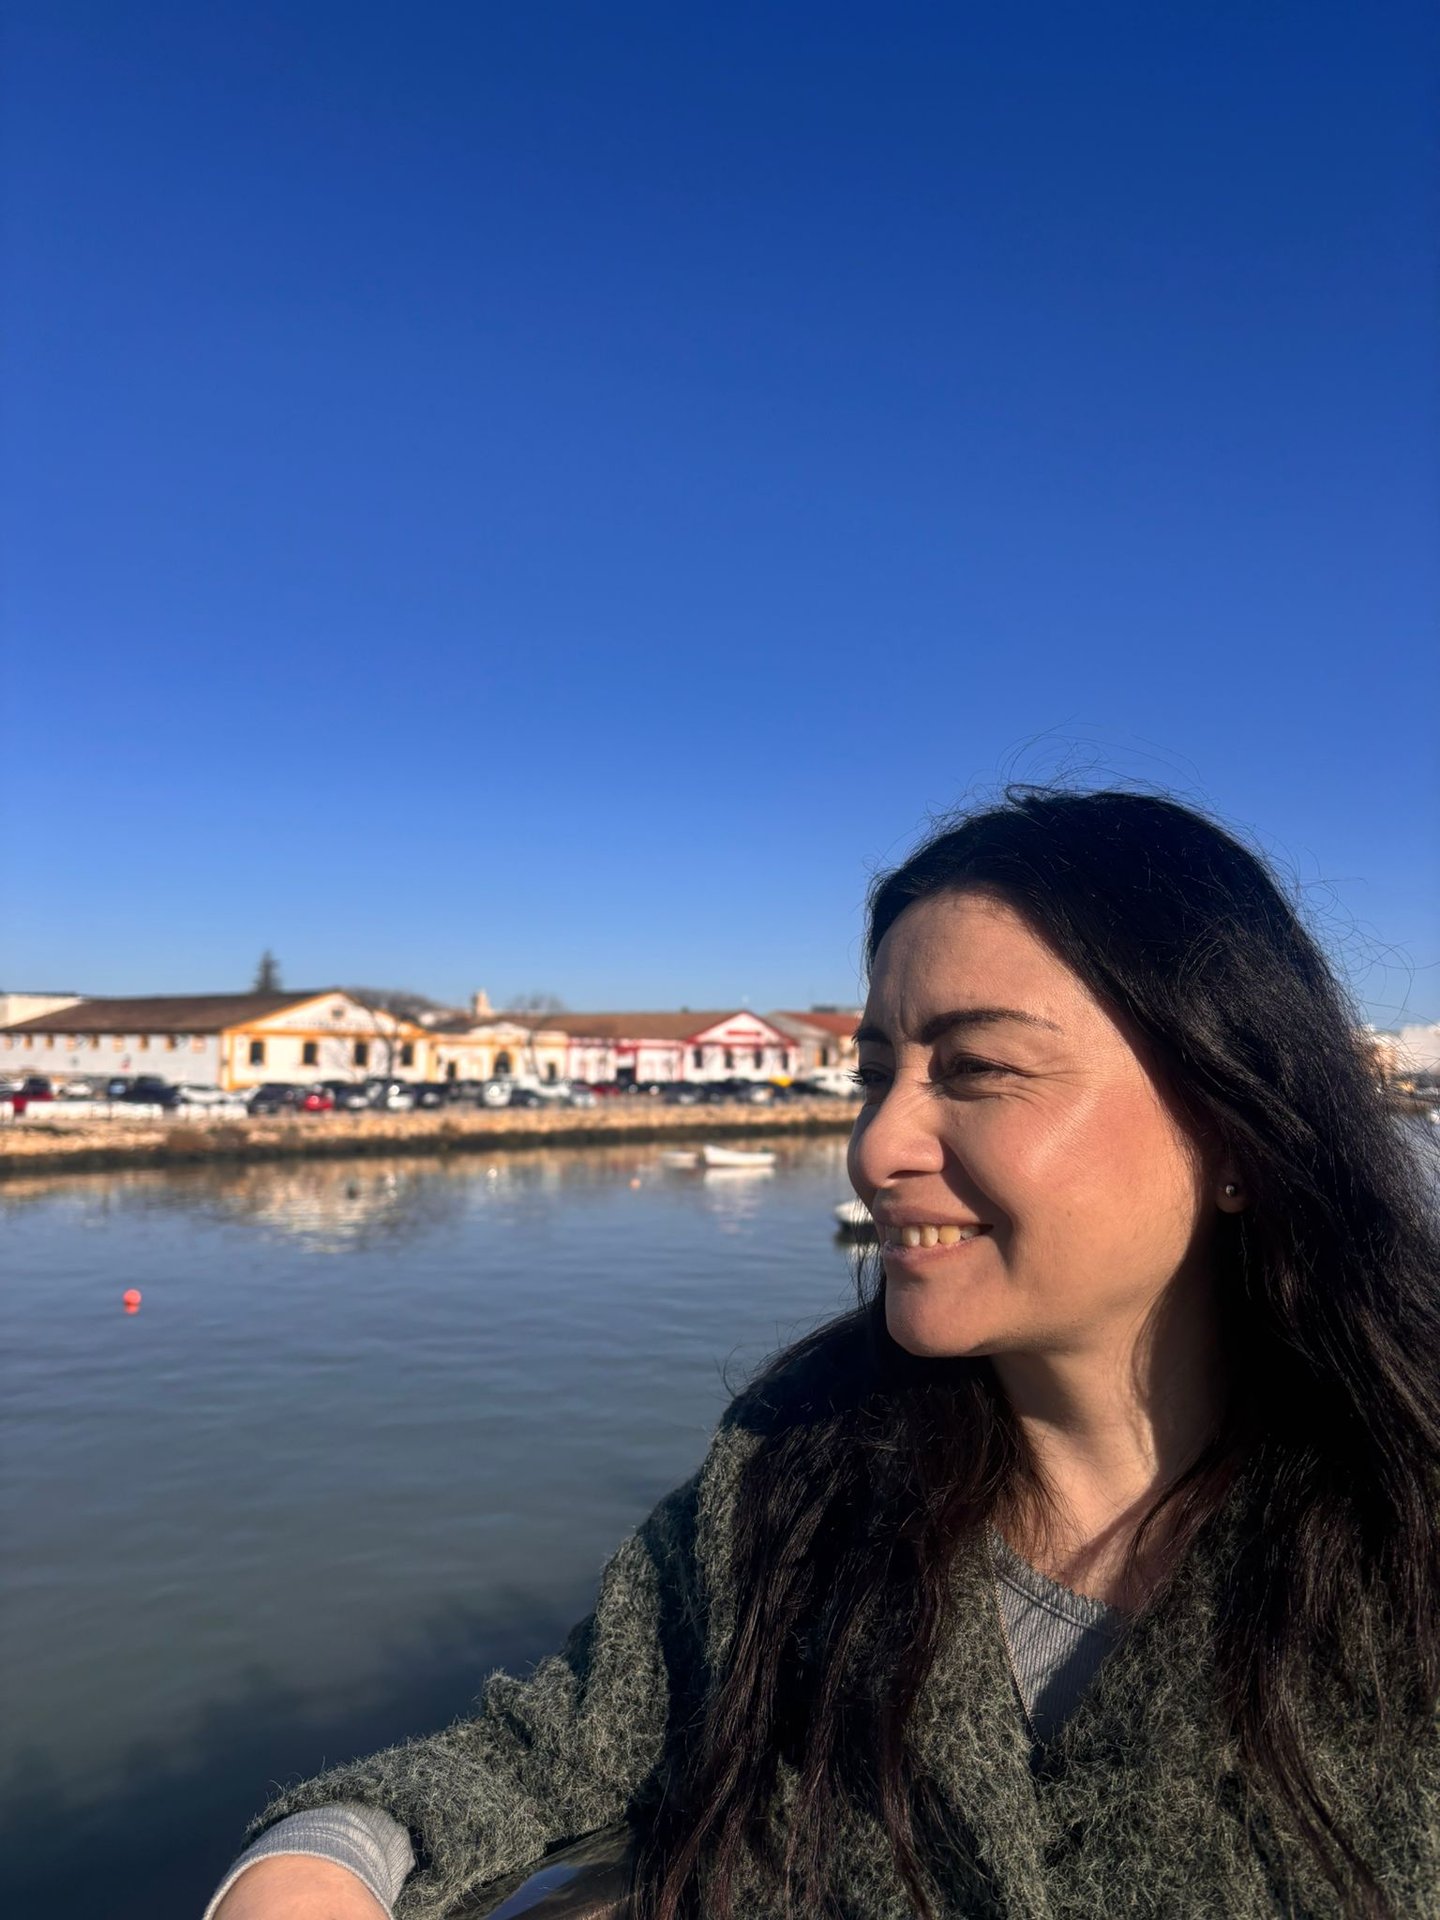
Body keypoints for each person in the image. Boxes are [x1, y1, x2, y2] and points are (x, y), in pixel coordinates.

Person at [207, 786, 1440, 1920]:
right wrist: (318, 1859)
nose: (874, 1146)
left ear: (1234, 1128)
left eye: (978, 1069)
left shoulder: (1403, 1524)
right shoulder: (796, 1470)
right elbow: (544, 1754)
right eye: (875, 1074)